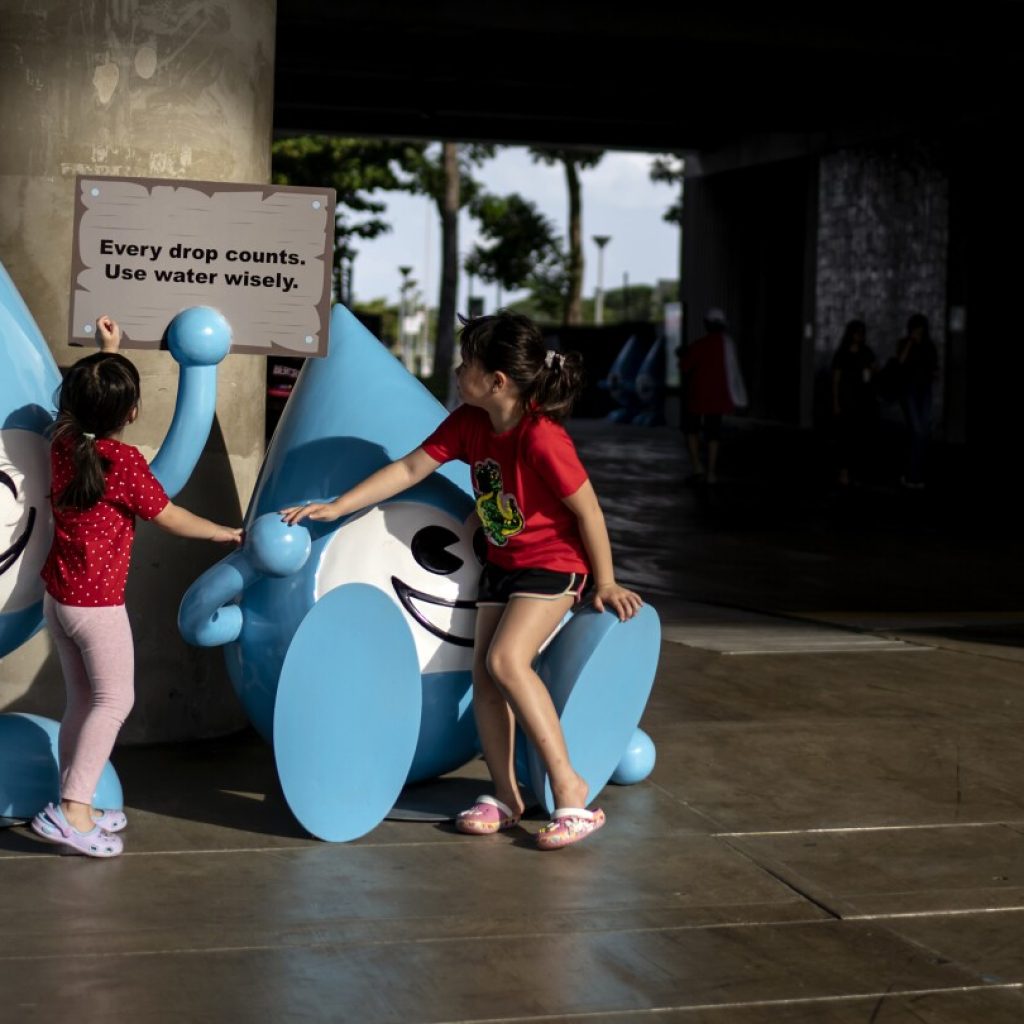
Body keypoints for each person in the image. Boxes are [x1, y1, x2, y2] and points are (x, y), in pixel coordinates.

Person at [281, 310, 643, 850]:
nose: (457, 370)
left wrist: (606, 581)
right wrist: (337, 508)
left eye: (467, 363)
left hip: (552, 564)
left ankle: (571, 791)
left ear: (497, 381)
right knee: (484, 676)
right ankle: (505, 796)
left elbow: (588, 512)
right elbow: (407, 469)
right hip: (503, 564)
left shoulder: (542, 437)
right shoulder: (469, 423)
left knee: (506, 661)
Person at [30, 316, 242, 858]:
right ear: (131, 413)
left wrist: (107, 351)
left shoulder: (63, 442)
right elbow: (168, 515)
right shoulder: (120, 461)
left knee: (84, 698)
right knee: (115, 698)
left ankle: (72, 800)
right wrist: (223, 531)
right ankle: (72, 812)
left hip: (60, 598)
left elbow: (79, 409)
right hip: (96, 605)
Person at [677, 307, 745, 485]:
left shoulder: (700, 345)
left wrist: (682, 354)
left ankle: (697, 467)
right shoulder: (727, 346)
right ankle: (712, 472)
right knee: (713, 433)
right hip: (719, 397)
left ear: (706, 325)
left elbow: (685, 366)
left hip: (697, 397)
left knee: (691, 430)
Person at [830, 319, 878, 487]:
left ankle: (855, 471)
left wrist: (871, 372)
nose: (858, 336)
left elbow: (874, 370)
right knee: (845, 436)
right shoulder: (842, 353)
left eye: (861, 333)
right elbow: (836, 379)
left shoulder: (866, 352)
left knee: (859, 437)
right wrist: (836, 402)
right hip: (846, 399)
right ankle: (844, 471)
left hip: (862, 400)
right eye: (856, 333)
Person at [895, 313, 938, 488]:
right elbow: (900, 362)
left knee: (923, 432)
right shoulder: (905, 343)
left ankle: (916, 474)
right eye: (915, 328)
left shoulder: (929, 346)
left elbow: (934, 367)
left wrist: (932, 374)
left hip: (924, 389)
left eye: (920, 328)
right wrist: (910, 343)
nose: (918, 331)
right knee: (918, 430)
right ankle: (911, 474)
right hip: (910, 389)